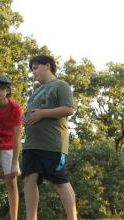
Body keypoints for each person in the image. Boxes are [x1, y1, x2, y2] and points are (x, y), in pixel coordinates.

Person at [22, 55, 77, 220]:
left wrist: (43, 114)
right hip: (31, 145)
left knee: (59, 181)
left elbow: (68, 109)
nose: (33, 73)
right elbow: (32, 115)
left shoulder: (61, 85)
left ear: (47, 66)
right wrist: (24, 119)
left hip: (53, 144)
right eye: (32, 70)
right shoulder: (35, 92)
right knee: (28, 180)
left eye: (35, 68)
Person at [0, 76, 23, 220]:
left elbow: (17, 137)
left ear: (7, 90)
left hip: (9, 146)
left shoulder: (15, 108)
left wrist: (14, 163)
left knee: (11, 181)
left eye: (1, 88)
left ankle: (14, 218)